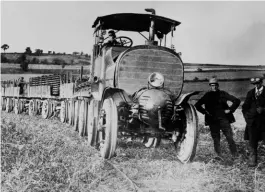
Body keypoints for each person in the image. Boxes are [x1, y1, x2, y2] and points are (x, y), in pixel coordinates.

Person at [195, 77, 240, 159]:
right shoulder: (207, 95)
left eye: (215, 85)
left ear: (218, 85)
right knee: (216, 139)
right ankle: (219, 156)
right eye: (212, 85)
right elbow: (197, 105)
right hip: (213, 120)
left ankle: (235, 155)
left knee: (229, 137)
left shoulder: (223, 94)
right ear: (210, 86)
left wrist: (230, 110)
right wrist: (205, 112)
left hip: (224, 119)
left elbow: (237, 100)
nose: (214, 87)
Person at [242, 77, 265, 167]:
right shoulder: (250, 93)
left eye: (258, 83)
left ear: (261, 82)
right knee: (252, 142)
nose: (256, 85)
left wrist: (263, 109)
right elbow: (244, 108)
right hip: (252, 123)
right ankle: (253, 161)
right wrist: (248, 119)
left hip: (264, 122)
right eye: (254, 84)